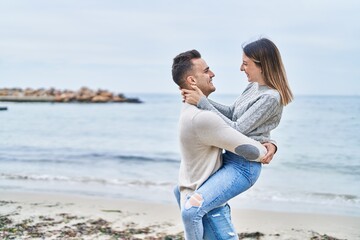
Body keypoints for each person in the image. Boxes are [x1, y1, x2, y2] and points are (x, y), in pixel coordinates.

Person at [172, 47, 279, 239]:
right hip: (230, 159)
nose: (241, 68)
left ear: (262, 65)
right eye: (206, 71)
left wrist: (270, 145)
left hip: (244, 166)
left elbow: (237, 129)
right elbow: (231, 113)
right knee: (201, 204)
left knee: (193, 209)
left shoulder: (270, 97)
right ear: (192, 80)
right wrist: (201, 101)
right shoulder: (253, 87)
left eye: (246, 64)